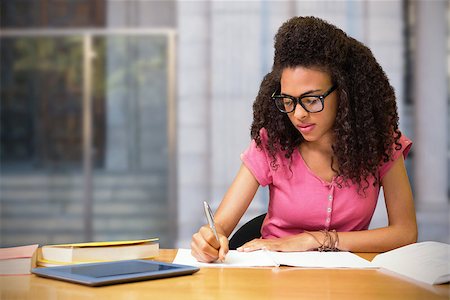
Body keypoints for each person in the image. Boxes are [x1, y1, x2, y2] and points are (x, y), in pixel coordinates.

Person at [191, 16, 417, 263]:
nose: (298, 114)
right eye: (288, 101)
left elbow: (405, 233)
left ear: (344, 93)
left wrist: (315, 239)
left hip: (349, 279)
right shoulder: (272, 143)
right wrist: (209, 240)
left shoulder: (381, 144)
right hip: (273, 274)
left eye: (311, 100)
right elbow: (219, 227)